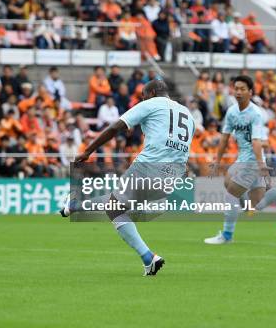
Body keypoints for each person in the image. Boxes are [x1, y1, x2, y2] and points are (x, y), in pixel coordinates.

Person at [63, 80, 196, 276]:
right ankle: (74, 206)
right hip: (172, 176)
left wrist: (88, 151)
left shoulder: (151, 104)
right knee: (115, 204)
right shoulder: (188, 115)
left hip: (149, 165)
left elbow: (116, 127)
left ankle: (148, 257)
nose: (142, 99)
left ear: (151, 93)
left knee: (114, 208)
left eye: (143, 96)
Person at [204, 76, 276, 245]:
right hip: (242, 160)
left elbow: (256, 142)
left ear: (250, 92)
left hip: (252, 162)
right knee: (256, 204)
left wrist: (261, 165)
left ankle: (226, 235)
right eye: (236, 88)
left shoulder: (255, 114)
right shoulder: (232, 111)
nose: (238, 92)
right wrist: (217, 160)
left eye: (242, 89)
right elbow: (224, 137)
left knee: (231, 192)